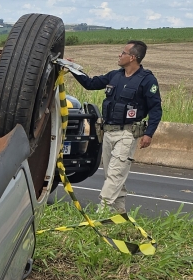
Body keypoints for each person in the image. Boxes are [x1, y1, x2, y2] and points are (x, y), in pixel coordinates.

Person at [67, 40, 162, 214]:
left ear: (132, 57)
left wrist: (149, 133)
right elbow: (90, 83)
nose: (119, 55)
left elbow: (156, 109)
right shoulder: (115, 76)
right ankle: (120, 213)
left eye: (123, 53)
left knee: (115, 174)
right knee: (113, 176)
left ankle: (101, 212)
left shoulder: (147, 80)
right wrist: (73, 68)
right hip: (108, 133)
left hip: (127, 134)